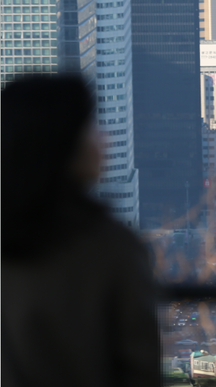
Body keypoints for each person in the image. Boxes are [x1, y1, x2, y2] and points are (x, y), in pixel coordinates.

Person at [2, 75, 161, 387]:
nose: (104, 139)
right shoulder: (108, 249)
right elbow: (141, 368)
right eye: (90, 127)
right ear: (63, 144)